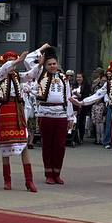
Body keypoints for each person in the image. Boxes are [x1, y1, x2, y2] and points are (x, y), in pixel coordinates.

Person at [0, 49, 40, 191]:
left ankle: (29, 180)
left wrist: (39, 64)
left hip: (17, 109)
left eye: (14, 61)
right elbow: (6, 67)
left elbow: (31, 75)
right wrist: (18, 60)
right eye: (10, 61)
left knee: (23, 143)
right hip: (6, 109)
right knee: (5, 146)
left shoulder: (18, 76)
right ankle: (7, 180)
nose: (13, 65)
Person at [33, 52, 76, 184]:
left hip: (61, 114)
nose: (52, 66)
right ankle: (48, 173)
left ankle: (57, 172)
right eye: (49, 64)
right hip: (45, 113)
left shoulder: (64, 78)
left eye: (54, 64)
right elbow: (29, 64)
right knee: (47, 145)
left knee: (60, 145)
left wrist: (70, 117)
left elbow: (68, 98)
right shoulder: (40, 76)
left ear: (57, 64)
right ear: (45, 66)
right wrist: (39, 62)